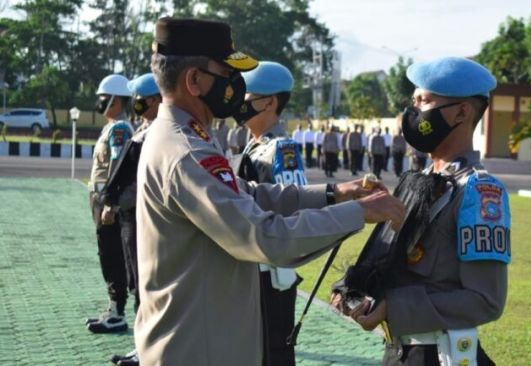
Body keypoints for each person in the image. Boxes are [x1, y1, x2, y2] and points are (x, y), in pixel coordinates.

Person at [136, 17, 406, 366]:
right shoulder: (186, 150)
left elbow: (248, 194)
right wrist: (359, 213)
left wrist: (334, 193)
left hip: (201, 339)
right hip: (197, 349)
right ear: (194, 81)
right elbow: (264, 236)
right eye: (228, 73)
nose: (236, 85)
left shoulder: (185, 137)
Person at [332, 57, 510, 366]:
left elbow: (486, 301)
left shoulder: (479, 191)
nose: (413, 112)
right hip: (398, 352)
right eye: (413, 101)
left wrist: (393, 308)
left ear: (461, 112)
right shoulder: (419, 180)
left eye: (425, 101)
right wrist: (352, 290)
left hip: (438, 355)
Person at [233, 60, 307, 366]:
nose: (240, 104)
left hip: (269, 270)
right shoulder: (253, 145)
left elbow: (292, 206)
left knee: (273, 351)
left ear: (270, 102)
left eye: (247, 98)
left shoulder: (281, 149)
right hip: (249, 263)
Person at [101, 73, 161, 366]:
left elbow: (142, 183)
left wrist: (116, 203)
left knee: (145, 285)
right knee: (136, 283)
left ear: (155, 101)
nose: (136, 104)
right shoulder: (143, 129)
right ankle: (142, 346)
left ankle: (146, 350)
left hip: (142, 217)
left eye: (142, 100)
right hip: (129, 217)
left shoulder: (157, 133)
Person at [85, 74, 134, 334]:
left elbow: (117, 169)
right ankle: (113, 307)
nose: (100, 102)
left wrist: (111, 205)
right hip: (101, 198)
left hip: (108, 202)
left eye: (103, 98)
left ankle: (117, 313)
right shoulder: (112, 126)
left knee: (113, 256)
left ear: (116, 100)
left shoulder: (119, 129)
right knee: (107, 254)